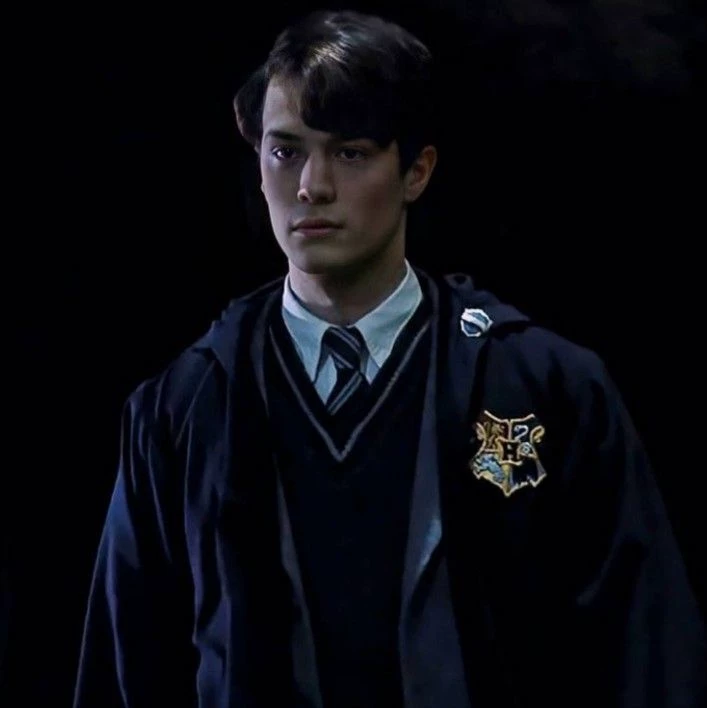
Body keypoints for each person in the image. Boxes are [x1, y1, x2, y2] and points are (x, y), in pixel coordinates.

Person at [73, 9, 706, 708]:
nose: (311, 186)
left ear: (416, 171)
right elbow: (126, 669)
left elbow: (647, 654)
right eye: (285, 151)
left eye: (350, 152)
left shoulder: (545, 388)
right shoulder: (182, 410)